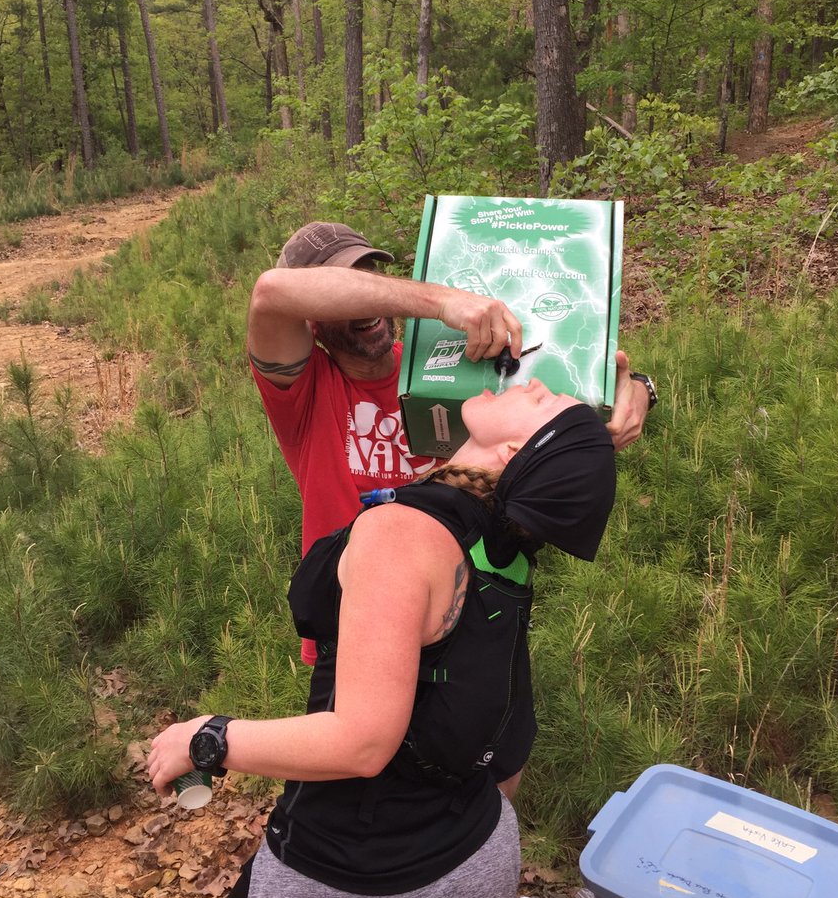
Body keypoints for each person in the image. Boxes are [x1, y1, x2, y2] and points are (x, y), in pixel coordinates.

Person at [147, 377, 617, 898]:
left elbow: (363, 740)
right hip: (473, 855)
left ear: (512, 452)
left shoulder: (402, 533)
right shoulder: (502, 541)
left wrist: (206, 738)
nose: (530, 381)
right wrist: (632, 385)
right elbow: (506, 730)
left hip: (351, 888)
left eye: (539, 399)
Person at [246, 220, 655, 670]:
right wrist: (443, 300)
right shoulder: (303, 391)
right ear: (313, 317)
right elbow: (271, 293)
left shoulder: (437, 365)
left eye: (372, 275)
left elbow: (548, 398)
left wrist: (636, 388)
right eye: (351, 285)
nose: (370, 298)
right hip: (360, 620)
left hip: (464, 614)